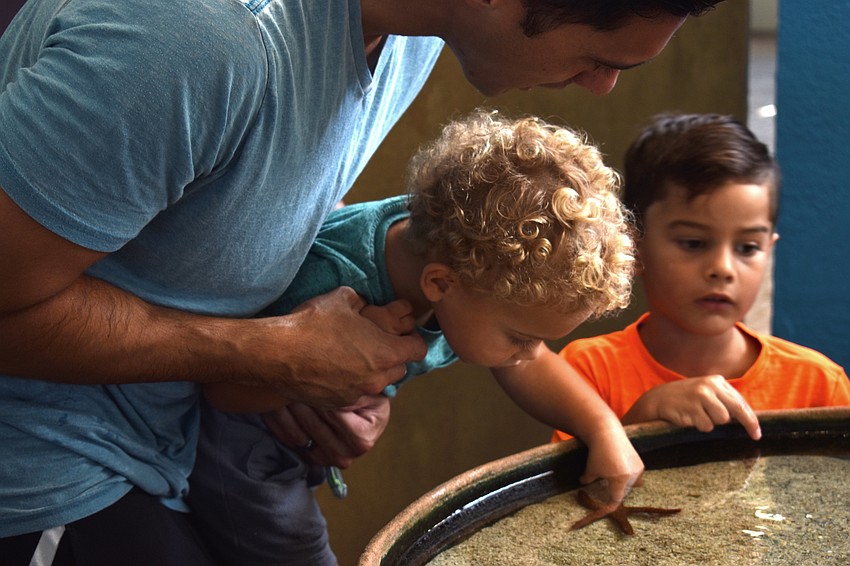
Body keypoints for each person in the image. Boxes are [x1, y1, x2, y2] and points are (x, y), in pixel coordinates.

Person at [0, 0, 724, 562]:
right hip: (48, 464)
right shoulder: (195, 46)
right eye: (602, 58)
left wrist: (328, 372)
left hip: (171, 443)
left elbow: (252, 190)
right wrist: (269, 354)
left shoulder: (416, 35)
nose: (602, 88)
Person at [191, 109, 644, 565]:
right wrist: (317, 380)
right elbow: (224, 391)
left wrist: (603, 430)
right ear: (441, 284)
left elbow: (528, 362)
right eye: (520, 337)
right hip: (241, 458)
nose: (526, 352)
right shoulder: (335, 282)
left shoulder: (459, 251)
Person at [552, 113, 850, 445]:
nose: (723, 268)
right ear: (633, 247)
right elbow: (576, 496)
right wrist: (639, 423)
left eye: (748, 248)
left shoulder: (817, 385)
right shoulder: (589, 372)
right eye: (693, 243)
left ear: (769, 249)